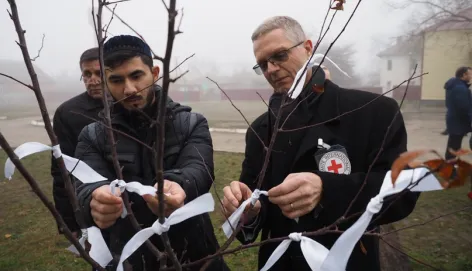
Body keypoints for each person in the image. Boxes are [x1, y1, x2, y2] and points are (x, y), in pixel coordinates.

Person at [221, 16, 420, 271]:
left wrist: (327, 188)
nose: (270, 69)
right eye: (262, 64)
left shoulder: (373, 111)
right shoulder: (259, 130)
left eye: (279, 55)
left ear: (307, 48)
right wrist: (245, 211)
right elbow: (255, 206)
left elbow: (404, 191)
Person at [74, 35, 228, 270]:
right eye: (116, 80)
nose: (129, 89)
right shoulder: (92, 135)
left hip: (195, 255)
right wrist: (93, 200)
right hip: (126, 257)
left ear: (154, 73)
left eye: (136, 76)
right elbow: (84, 185)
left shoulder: (190, 123)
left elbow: (199, 169)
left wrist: (178, 185)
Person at [51, 47, 103, 238]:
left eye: (99, 73)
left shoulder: (129, 104)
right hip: (91, 206)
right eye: (87, 74)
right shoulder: (67, 113)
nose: (93, 80)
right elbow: (61, 171)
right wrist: (67, 220)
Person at [444, 66, 472, 160]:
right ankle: (450, 170)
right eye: (470, 74)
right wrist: (469, 120)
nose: (471, 76)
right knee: (454, 148)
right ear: (464, 75)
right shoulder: (460, 88)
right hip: (458, 123)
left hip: (454, 121)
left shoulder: (454, 85)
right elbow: (464, 108)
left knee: (453, 146)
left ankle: (450, 168)